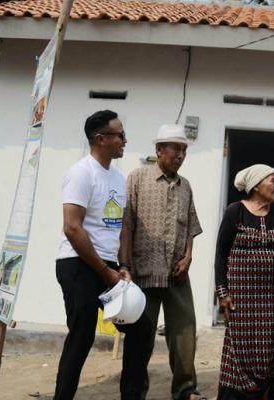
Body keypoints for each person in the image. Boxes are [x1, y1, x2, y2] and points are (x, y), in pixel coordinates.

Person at [54, 110, 151, 400]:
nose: (125, 140)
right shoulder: (81, 173)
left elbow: (120, 227)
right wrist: (103, 271)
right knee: (81, 336)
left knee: (141, 327)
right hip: (77, 265)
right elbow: (72, 228)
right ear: (100, 139)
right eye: (120, 135)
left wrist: (122, 265)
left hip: (107, 267)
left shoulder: (118, 177)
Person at [120, 124, 205, 400]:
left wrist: (189, 257)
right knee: (139, 340)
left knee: (184, 334)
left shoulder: (186, 186)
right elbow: (126, 225)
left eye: (184, 150)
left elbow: (191, 226)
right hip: (143, 272)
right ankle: (132, 393)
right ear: (159, 150)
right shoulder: (137, 178)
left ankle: (185, 390)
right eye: (175, 149)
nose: (181, 155)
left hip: (177, 273)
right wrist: (126, 265)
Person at [214, 164, 274, 400]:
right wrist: (222, 292)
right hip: (242, 296)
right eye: (273, 181)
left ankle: (265, 393)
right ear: (256, 185)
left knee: (271, 345)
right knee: (241, 345)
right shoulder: (235, 211)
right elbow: (221, 253)